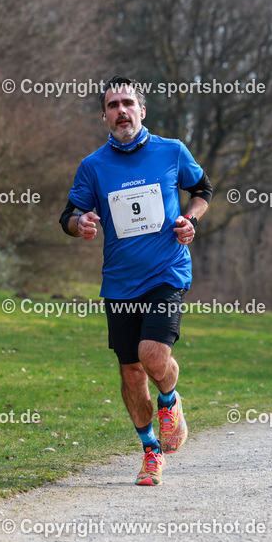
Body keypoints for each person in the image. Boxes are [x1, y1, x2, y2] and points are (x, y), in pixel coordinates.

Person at [59, 76, 212, 485]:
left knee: (152, 354)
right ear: (104, 115)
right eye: (113, 105)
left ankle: (170, 400)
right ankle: (150, 452)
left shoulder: (171, 151)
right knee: (130, 371)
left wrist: (189, 219)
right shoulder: (93, 166)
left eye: (128, 103)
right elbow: (68, 217)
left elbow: (202, 190)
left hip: (166, 271)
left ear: (142, 111)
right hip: (120, 282)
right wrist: (82, 223)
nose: (121, 111)